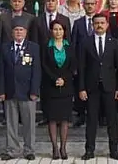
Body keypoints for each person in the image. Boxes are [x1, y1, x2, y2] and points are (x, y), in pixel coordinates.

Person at [78, 13, 118, 161]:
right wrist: (81, 88)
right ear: (93, 25)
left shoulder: (114, 42)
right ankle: (89, 150)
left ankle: (114, 150)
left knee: (112, 121)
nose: (99, 25)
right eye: (96, 23)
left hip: (110, 87)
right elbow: (82, 68)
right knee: (91, 120)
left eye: (102, 23)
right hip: (91, 88)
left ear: (107, 24)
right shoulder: (86, 42)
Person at [0, 16, 41, 161]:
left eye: (21, 30)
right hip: (10, 91)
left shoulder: (33, 47)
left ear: (26, 32)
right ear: (12, 32)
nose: (18, 32)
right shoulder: (5, 48)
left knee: (29, 123)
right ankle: (12, 149)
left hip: (28, 92)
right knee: (11, 123)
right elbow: (1, 71)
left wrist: (35, 91)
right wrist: (1, 91)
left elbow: (36, 71)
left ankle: (29, 149)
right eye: (16, 30)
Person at [40, 19, 77, 160]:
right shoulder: (46, 46)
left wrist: (64, 79)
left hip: (66, 87)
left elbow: (73, 66)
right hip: (50, 87)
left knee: (65, 119)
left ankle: (63, 148)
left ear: (64, 31)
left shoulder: (70, 46)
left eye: (60, 29)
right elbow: (44, 65)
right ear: (51, 31)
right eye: (55, 29)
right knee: (52, 119)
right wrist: (54, 78)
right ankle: (54, 148)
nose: (58, 32)